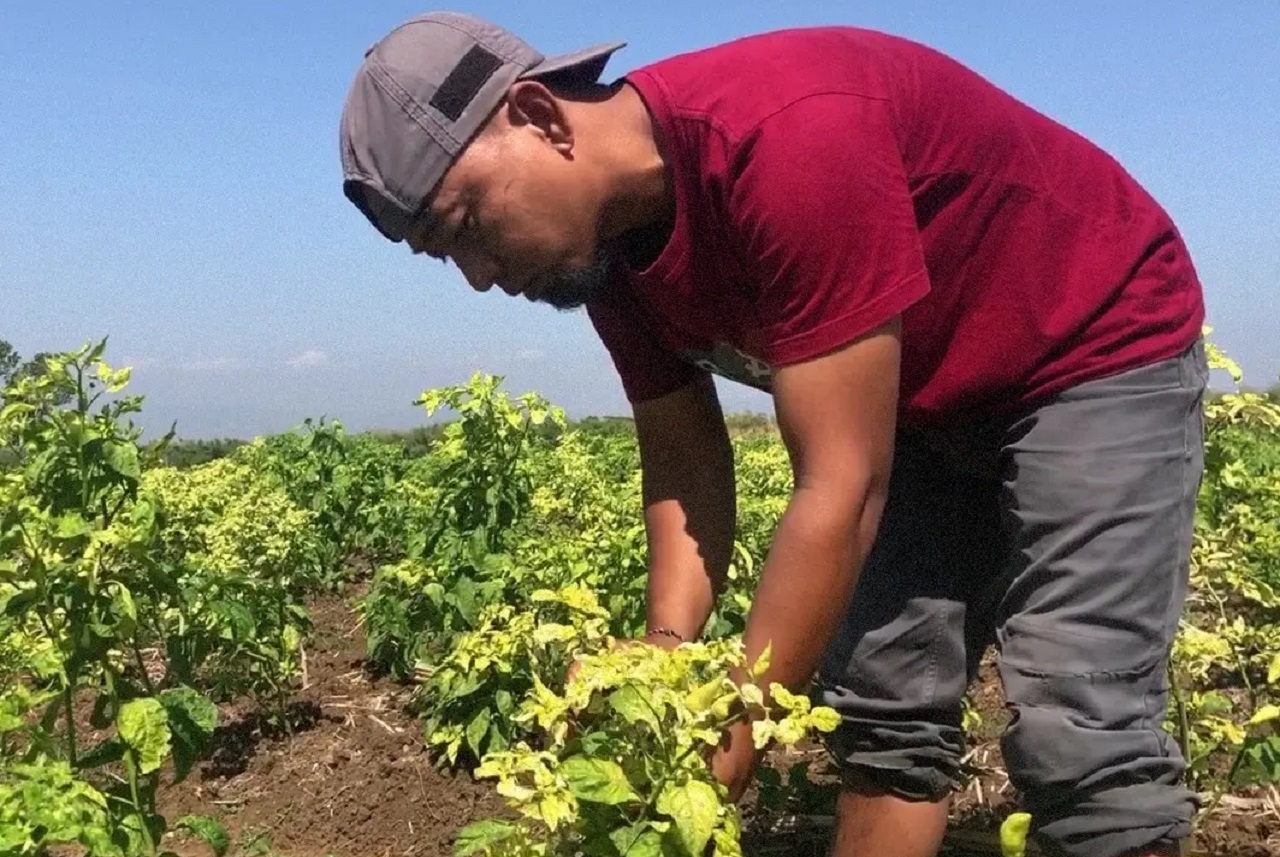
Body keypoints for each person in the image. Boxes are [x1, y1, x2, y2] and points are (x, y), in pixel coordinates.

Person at [338, 12, 1208, 857]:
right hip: (921, 399)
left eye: (465, 226)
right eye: (444, 257)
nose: (481, 275)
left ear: (538, 116)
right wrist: (668, 655)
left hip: (1089, 344)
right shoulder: (610, 258)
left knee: (1082, 723)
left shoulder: (788, 135)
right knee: (883, 705)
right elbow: (684, 461)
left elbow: (843, 482)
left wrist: (739, 720)